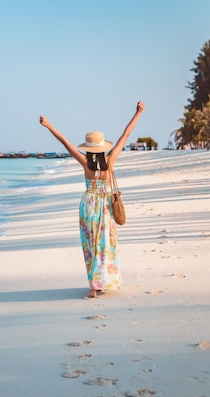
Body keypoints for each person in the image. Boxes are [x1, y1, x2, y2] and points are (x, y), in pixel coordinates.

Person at [39, 101, 146, 298]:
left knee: (90, 245)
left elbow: (65, 142)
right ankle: (99, 283)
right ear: (103, 147)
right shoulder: (111, 160)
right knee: (104, 244)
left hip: (88, 205)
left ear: (88, 149)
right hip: (105, 206)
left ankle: (94, 285)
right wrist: (138, 113)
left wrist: (49, 125)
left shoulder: (85, 163)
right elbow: (126, 135)